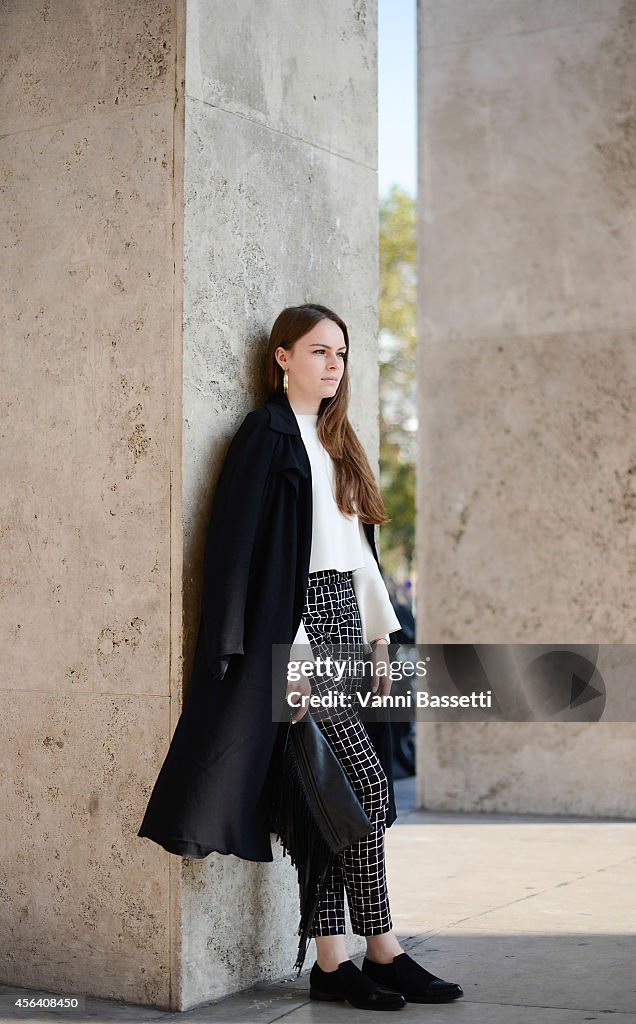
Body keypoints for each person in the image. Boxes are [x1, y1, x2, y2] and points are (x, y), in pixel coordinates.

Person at [137, 303, 464, 1011]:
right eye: (319, 351)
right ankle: (381, 948)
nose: (333, 365)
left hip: (348, 617)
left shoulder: (338, 439)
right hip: (295, 631)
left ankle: (335, 963)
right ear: (282, 356)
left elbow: (357, 553)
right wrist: (260, 650)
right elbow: (234, 548)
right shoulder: (267, 434)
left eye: (341, 355)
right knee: (367, 789)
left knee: (330, 799)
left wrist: (383, 636)